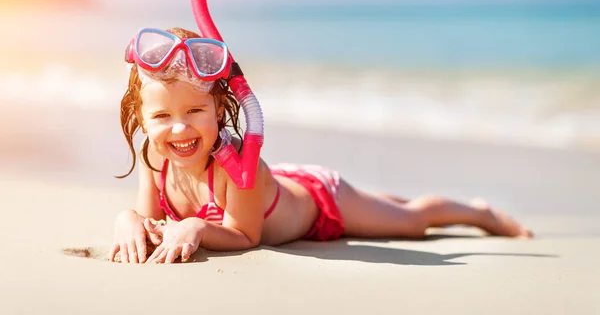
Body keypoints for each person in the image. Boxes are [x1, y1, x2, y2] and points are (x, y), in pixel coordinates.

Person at [109, 27, 532, 264]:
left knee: (411, 221)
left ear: (219, 108)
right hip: (286, 192)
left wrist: (197, 226)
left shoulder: (240, 166)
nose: (179, 129)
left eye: (194, 111)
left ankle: (481, 212)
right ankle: (378, 202)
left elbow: (246, 235)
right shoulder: (154, 158)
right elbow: (150, 223)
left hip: (322, 201)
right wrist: (127, 220)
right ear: (143, 118)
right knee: (381, 207)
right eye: (162, 117)